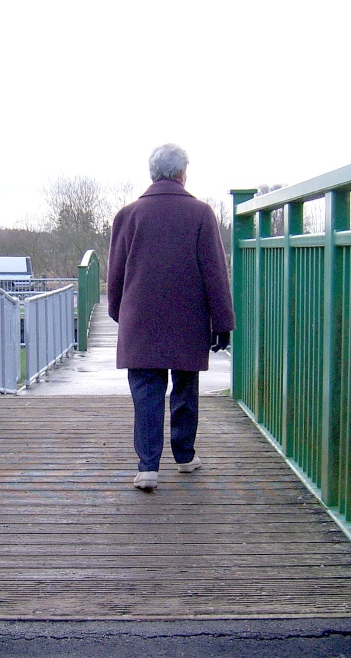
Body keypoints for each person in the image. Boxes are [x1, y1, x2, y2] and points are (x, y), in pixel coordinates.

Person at [107, 143, 235, 491]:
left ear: (153, 174)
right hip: (188, 317)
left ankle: (147, 467)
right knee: (185, 385)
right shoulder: (201, 213)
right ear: (182, 174)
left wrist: (119, 312)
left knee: (146, 390)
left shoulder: (128, 215)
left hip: (141, 317)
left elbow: (115, 274)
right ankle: (184, 457)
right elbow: (214, 272)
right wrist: (222, 322)